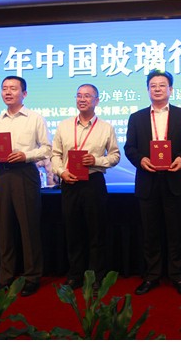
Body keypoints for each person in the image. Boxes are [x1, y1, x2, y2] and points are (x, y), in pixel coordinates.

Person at [124, 69, 181, 296]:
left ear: (171, 89)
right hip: (147, 181)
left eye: (162, 85)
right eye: (153, 86)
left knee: (176, 233)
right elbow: (130, 148)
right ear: (148, 90)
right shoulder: (136, 117)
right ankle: (152, 276)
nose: (157, 89)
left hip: (175, 181)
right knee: (150, 233)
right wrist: (141, 160)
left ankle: (178, 276)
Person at [0, 75, 52, 297]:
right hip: (1, 174)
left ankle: (32, 277)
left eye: (13, 88)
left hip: (24, 173)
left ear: (24, 93)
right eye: (4, 88)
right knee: (4, 228)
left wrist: (25, 155)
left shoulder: (35, 119)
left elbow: (47, 148)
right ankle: (5, 277)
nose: (8, 92)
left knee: (28, 227)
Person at [51, 84, 120, 292]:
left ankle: (97, 276)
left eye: (87, 96)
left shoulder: (105, 127)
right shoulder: (64, 126)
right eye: (79, 96)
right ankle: (75, 275)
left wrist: (96, 160)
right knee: (73, 231)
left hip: (93, 183)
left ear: (96, 100)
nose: (82, 99)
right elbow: (55, 154)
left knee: (96, 232)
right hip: (70, 183)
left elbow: (115, 156)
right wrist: (61, 172)